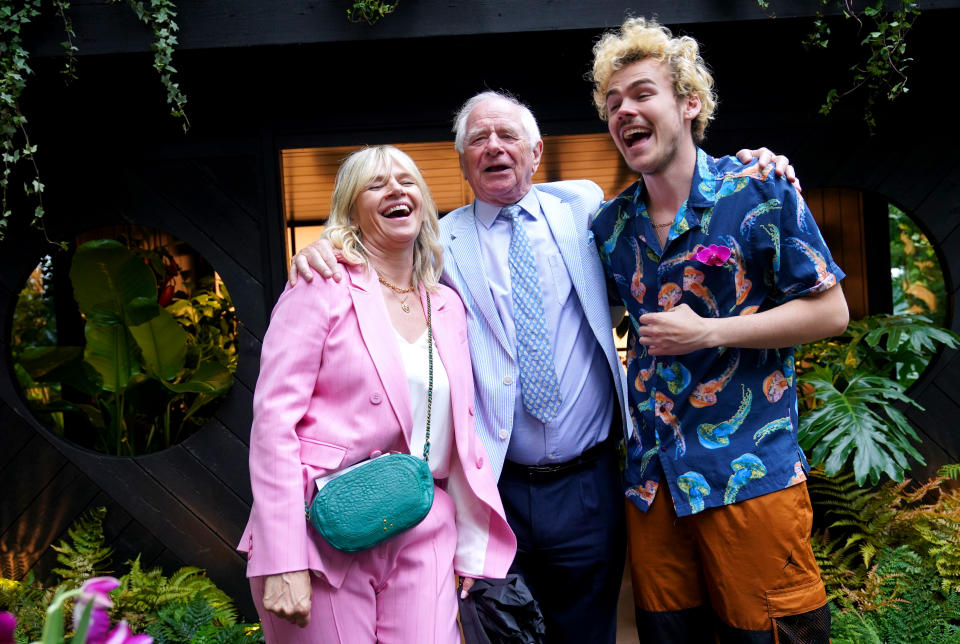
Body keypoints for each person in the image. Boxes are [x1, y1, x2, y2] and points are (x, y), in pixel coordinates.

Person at [291, 93, 796, 643]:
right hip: (495, 486)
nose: (493, 148)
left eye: (507, 136)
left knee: (589, 630)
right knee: (499, 632)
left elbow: (678, 181)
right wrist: (320, 250)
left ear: (536, 153)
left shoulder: (587, 210)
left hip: (590, 484)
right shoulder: (438, 242)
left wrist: (757, 164)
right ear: (462, 163)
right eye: (477, 140)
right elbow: (376, 254)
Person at [589, 17, 849, 643]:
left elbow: (831, 312)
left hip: (748, 471)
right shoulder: (609, 226)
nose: (624, 110)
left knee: (774, 634)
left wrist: (711, 333)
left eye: (642, 93)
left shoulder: (758, 189)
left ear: (689, 103)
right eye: (612, 102)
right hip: (653, 484)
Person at [237, 145, 516, 644]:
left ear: (425, 203)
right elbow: (273, 425)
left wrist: (473, 543)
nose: (396, 190)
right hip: (321, 527)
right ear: (351, 211)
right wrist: (283, 556)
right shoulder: (319, 285)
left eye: (407, 180)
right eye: (376, 184)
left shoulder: (447, 304)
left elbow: (461, 438)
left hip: (422, 525)